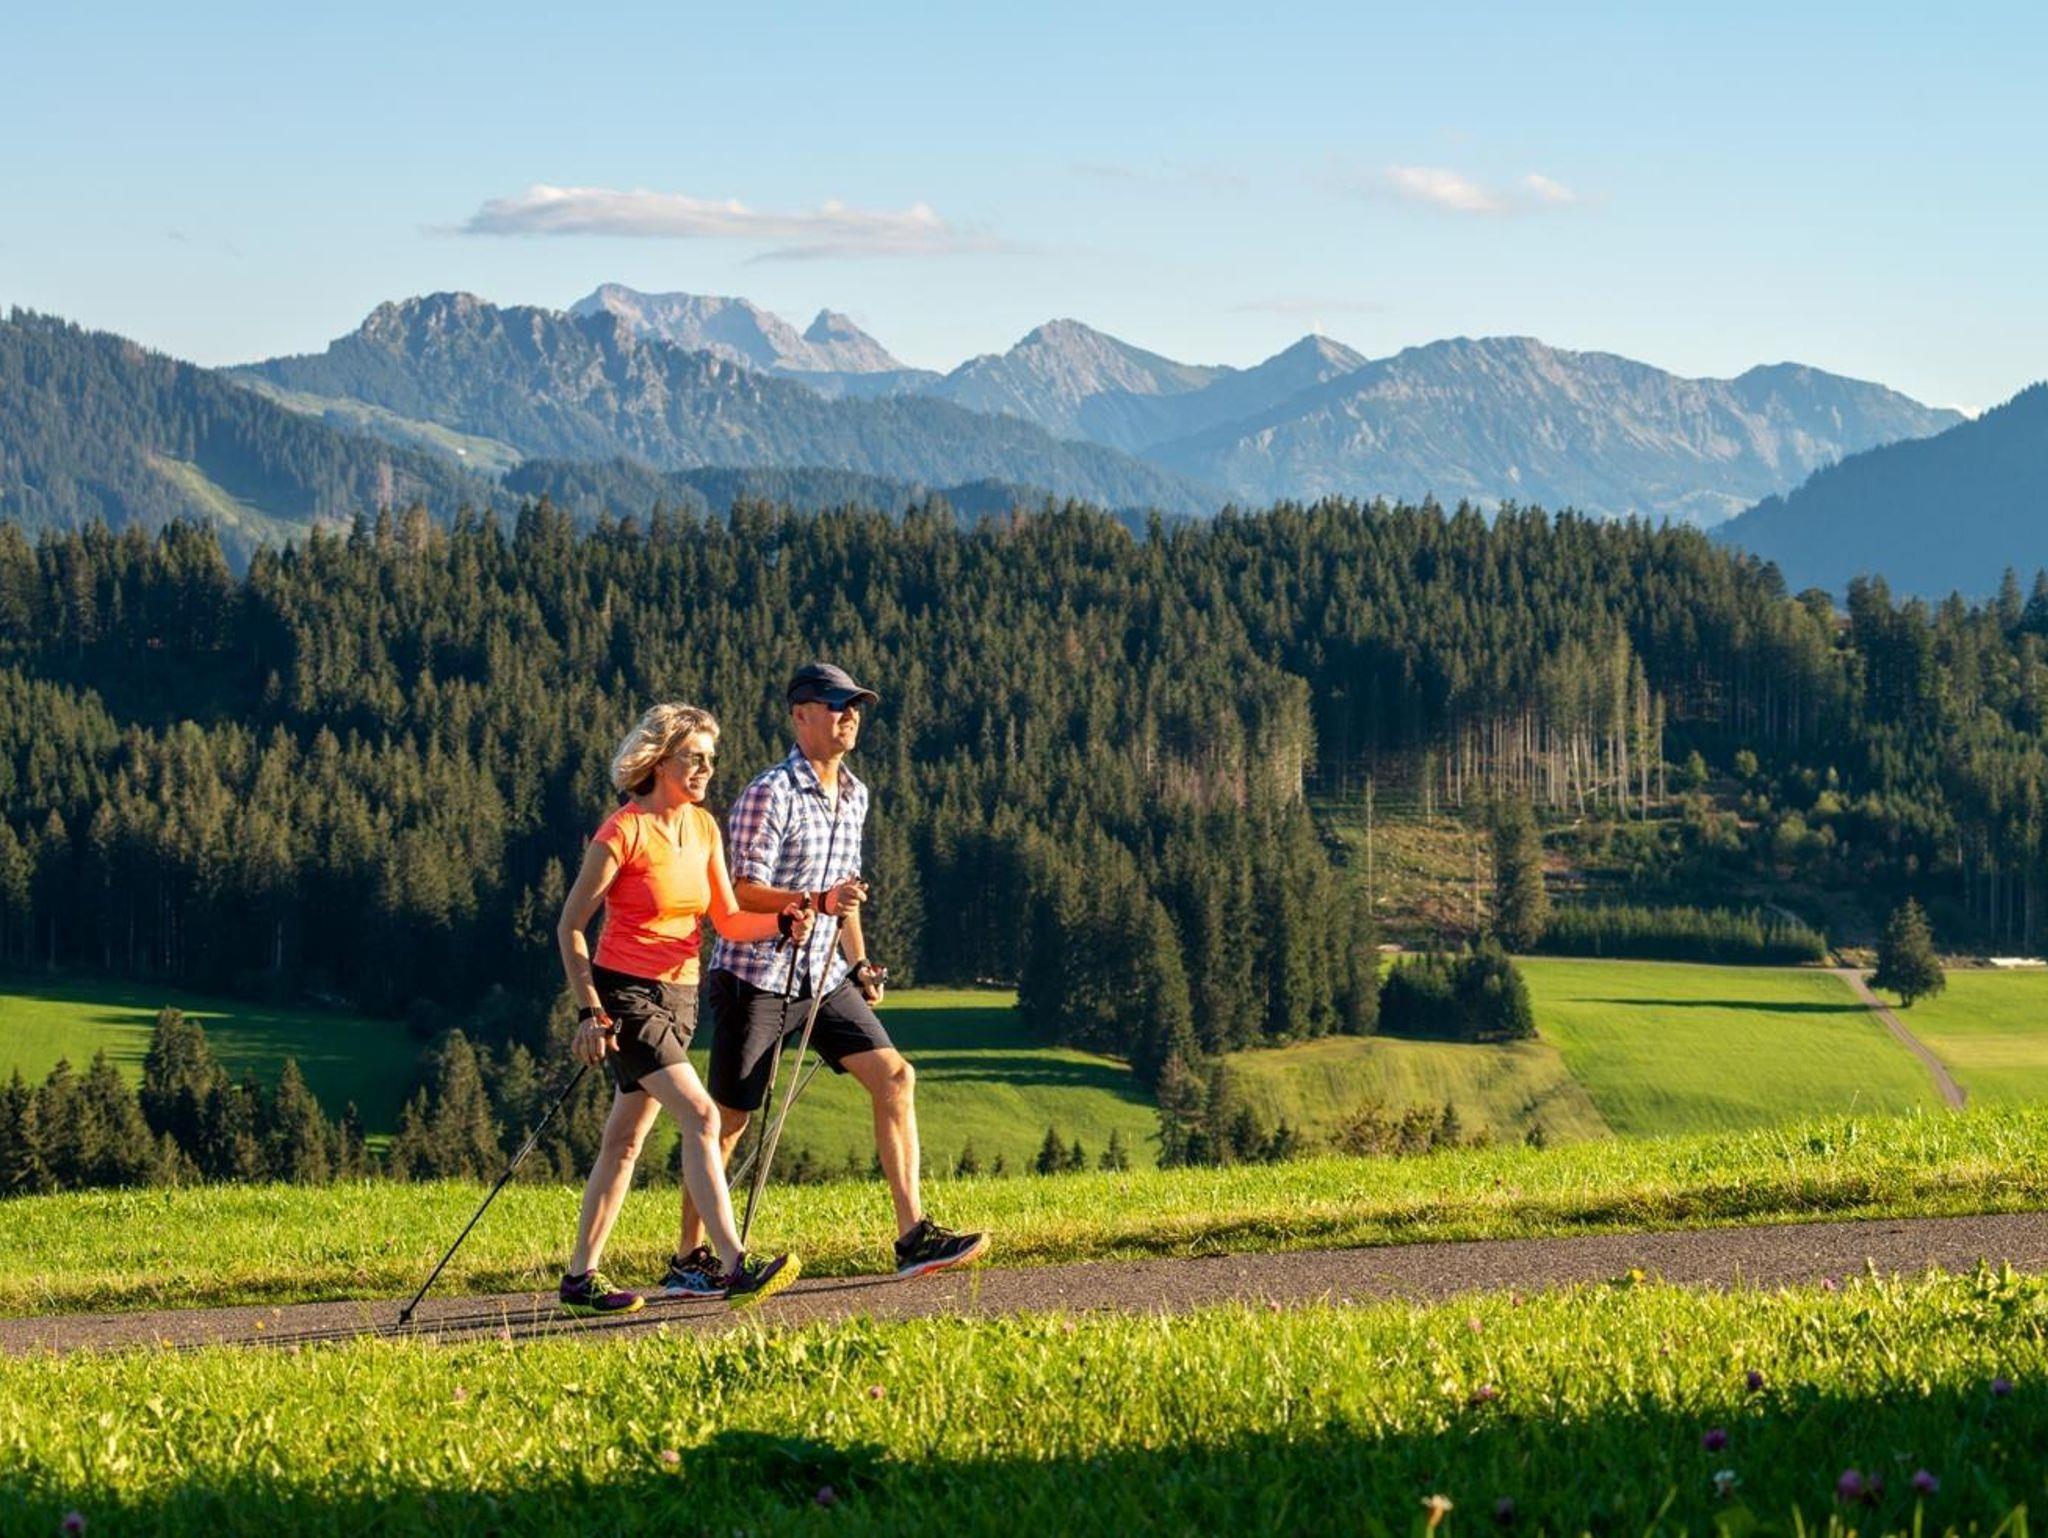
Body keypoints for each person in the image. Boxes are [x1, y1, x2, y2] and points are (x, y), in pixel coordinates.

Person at [660, 661, 989, 1298]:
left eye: (855, 706)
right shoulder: (770, 792)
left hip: (823, 974)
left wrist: (859, 961)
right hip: (755, 976)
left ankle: (912, 1237)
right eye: (838, 706)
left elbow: (846, 895)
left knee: (896, 1077)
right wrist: (815, 899)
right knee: (728, 1121)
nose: (850, 717)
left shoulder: (855, 794)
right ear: (801, 716)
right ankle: (689, 1257)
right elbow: (739, 892)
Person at [555, 701, 808, 1314]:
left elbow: (728, 920)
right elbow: (570, 927)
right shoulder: (623, 832)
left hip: (681, 996)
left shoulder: (703, 829)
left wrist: (781, 921)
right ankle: (735, 1264)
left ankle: (580, 1279)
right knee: (701, 1115)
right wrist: (591, 1011)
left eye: (710, 760)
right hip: (627, 994)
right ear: (661, 760)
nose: (705, 770)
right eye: (694, 758)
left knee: (625, 1139)